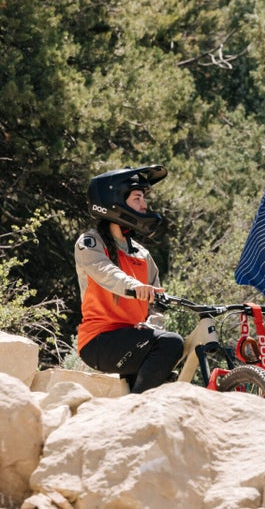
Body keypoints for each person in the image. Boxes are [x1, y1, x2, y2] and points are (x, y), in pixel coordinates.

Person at [75, 165, 184, 393]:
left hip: (133, 339)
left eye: (143, 198)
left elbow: (156, 302)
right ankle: (135, 407)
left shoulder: (142, 254)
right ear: (115, 201)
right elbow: (106, 272)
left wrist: (152, 323)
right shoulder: (90, 243)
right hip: (98, 341)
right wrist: (134, 286)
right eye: (137, 198)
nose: (144, 205)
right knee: (170, 343)